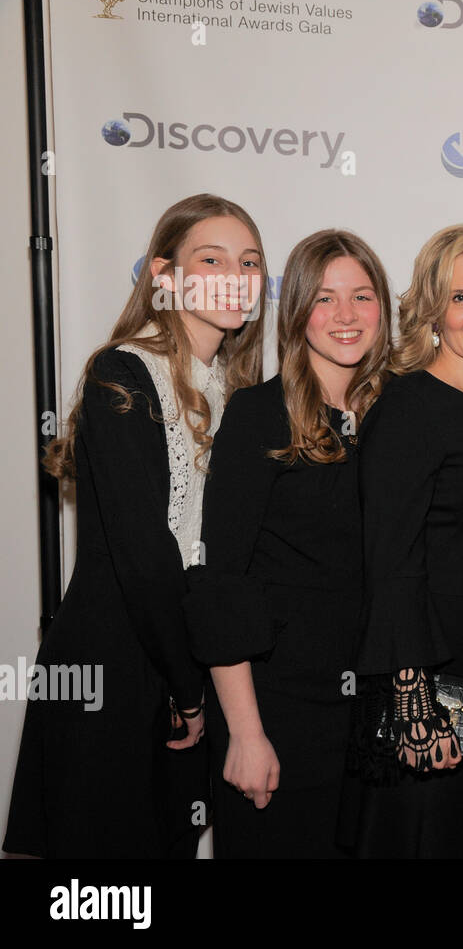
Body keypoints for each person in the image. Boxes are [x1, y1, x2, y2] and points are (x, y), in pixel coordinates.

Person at [4, 193, 267, 858]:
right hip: (115, 670)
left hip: (186, 668)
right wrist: (187, 688)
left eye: (249, 262)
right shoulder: (120, 373)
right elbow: (147, 556)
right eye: (211, 259)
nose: (234, 275)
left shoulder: (240, 394)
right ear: (163, 274)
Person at [185, 229, 393, 857]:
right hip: (277, 712)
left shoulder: (396, 418)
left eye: (362, 296)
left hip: (370, 722)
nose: (346, 315)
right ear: (297, 310)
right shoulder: (257, 415)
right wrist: (246, 734)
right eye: (325, 298)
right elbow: (221, 584)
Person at [339, 224, 463, 858]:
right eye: (460, 298)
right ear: (432, 311)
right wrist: (411, 698)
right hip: (439, 689)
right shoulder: (408, 408)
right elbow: (390, 563)